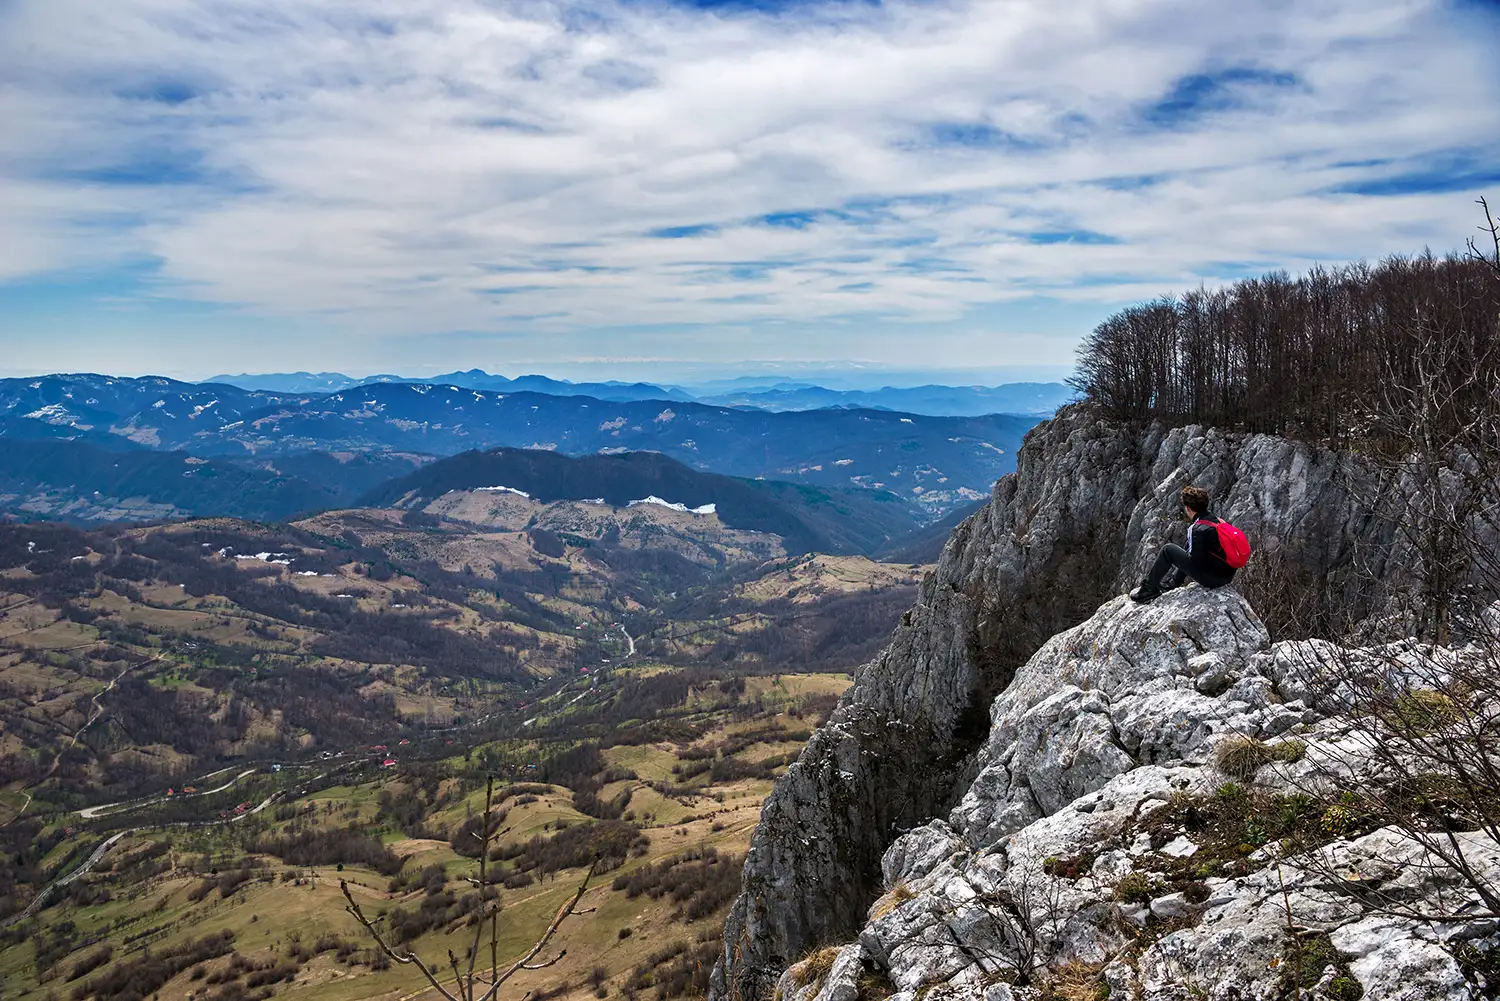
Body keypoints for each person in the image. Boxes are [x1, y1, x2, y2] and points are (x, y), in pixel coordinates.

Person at [1130, 485, 1237, 603]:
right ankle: (1173, 583)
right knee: (1188, 545)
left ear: (1188, 508)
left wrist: (1182, 560)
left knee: (1167, 550)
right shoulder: (1217, 520)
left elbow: (1196, 562)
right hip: (1227, 575)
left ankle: (1148, 589)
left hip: (1213, 579)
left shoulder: (1196, 529)